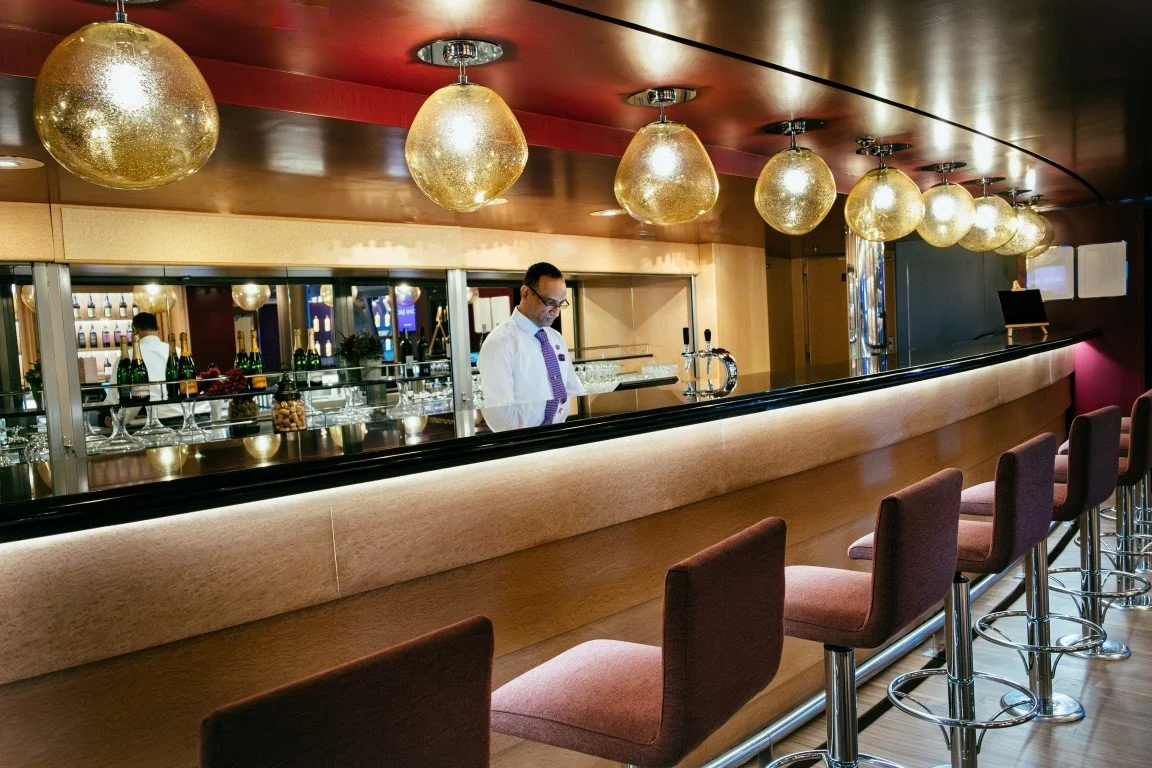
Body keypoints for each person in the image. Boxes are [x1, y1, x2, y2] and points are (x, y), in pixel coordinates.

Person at [478, 262, 585, 431]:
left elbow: (570, 389)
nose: (556, 312)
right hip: (520, 444)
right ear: (526, 293)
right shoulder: (499, 343)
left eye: (560, 304)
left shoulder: (556, 338)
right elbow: (498, 414)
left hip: (556, 437)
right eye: (550, 302)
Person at [107, 312, 182, 422]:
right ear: (158, 328)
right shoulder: (178, 351)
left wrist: (115, 420)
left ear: (135, 329)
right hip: (187, 414)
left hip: (150, 421)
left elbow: (114, 396)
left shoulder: (128, 356)